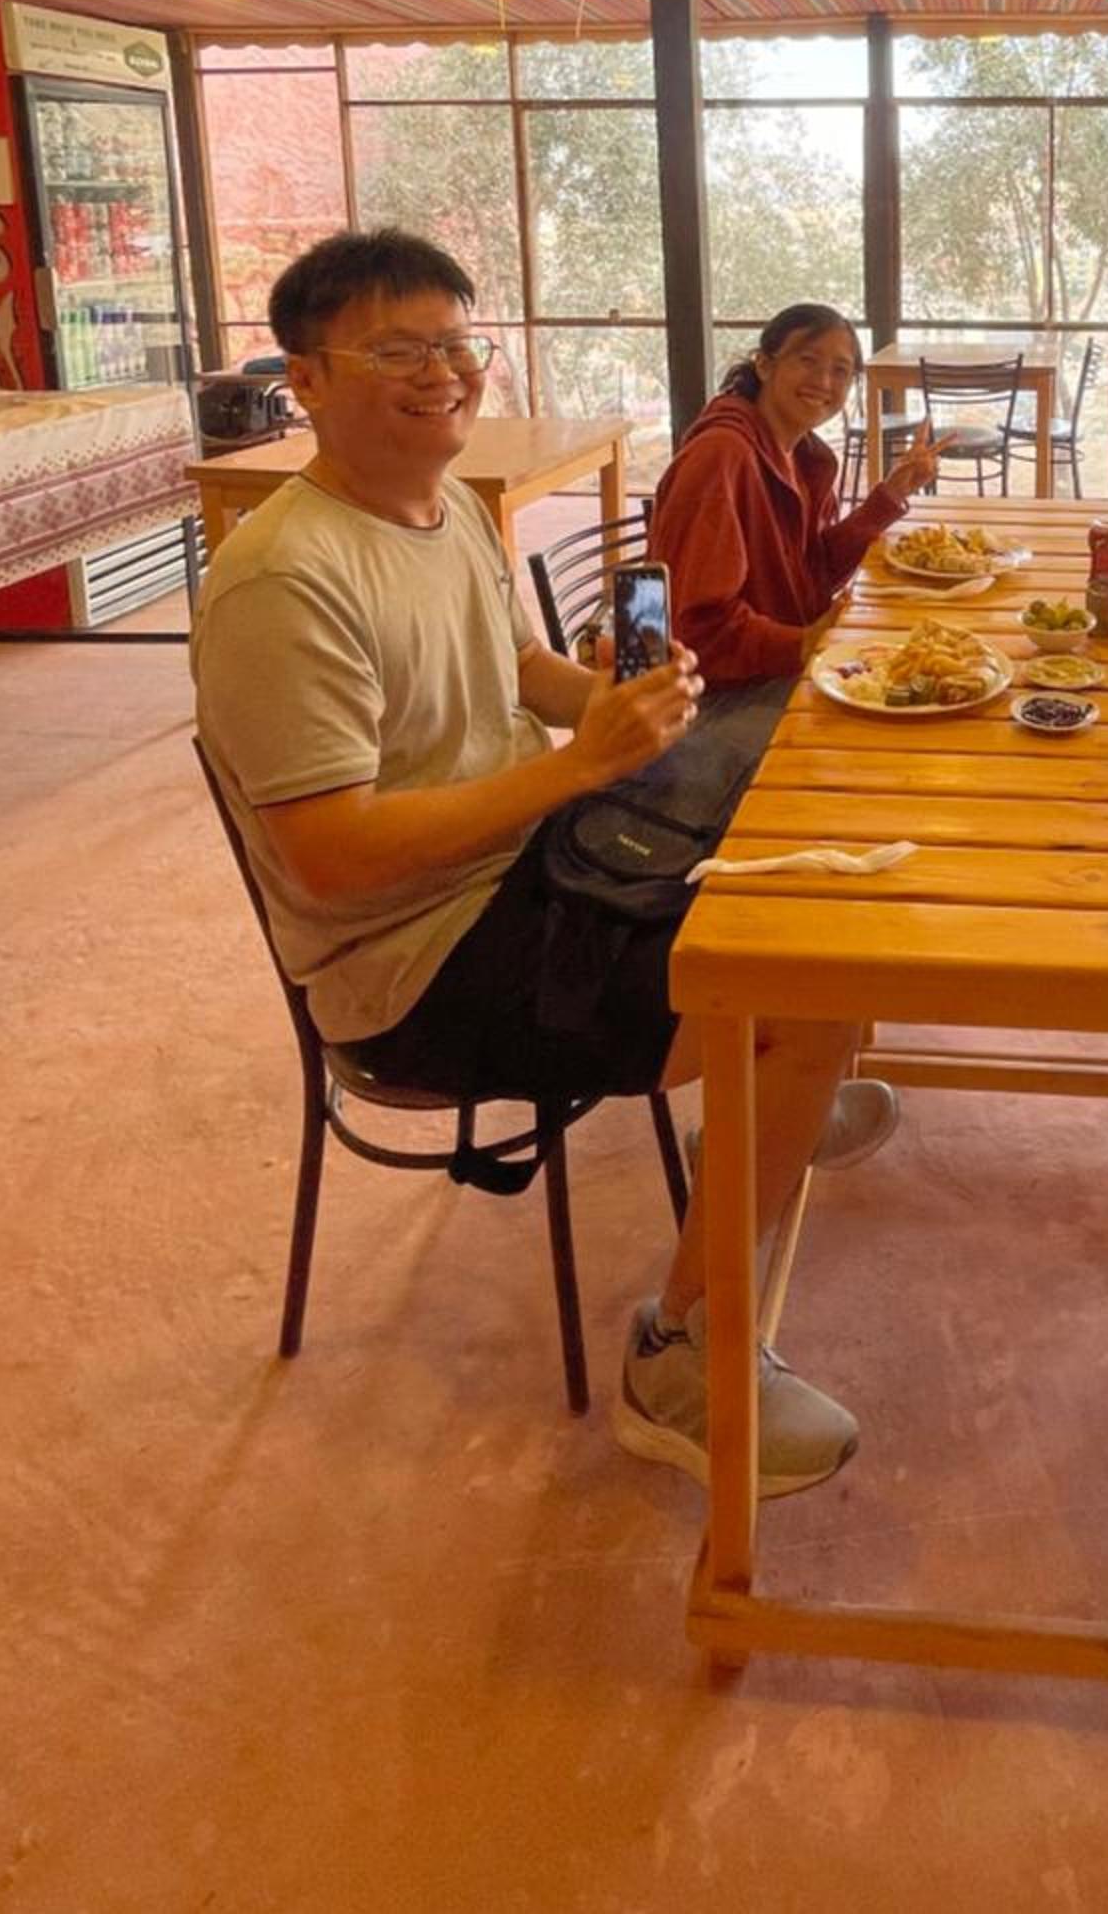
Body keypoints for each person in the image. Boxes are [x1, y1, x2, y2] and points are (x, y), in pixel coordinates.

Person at [193, 229, 879, 1500]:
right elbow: (329, 858)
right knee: (804, 984)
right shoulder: (281, 580)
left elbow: (517, 669)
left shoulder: (450, 506)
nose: (442, 372)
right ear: (306, 381)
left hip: (530, 866)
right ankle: (680, 1357)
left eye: (458, 344)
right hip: (417, 966)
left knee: (801, 848)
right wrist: (575, 769)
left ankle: (773, 1109)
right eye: (397, 350)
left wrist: (610, 703)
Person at [647, 302, 939, 685]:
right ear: (764, 365)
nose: (824, 382)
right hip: (715, 694)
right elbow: (697, 629)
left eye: (840, 371)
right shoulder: (721, 456)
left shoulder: (801, 454)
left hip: (777, 666)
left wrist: (890, 494)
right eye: (807, 360)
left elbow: (813, 573)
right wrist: (803, 643)